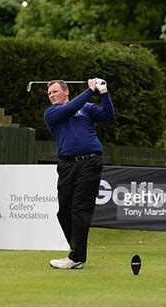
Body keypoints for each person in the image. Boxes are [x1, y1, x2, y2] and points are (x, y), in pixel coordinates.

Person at [44, 78, 115, 269]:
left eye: (55, 91)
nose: (52, 96)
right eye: (49, 93)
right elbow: (70, 109)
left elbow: (108, 116)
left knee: (79, 210)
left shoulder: (87, 108)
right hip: (67, 165)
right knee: (64, 211)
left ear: (66, 92)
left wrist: (104, 92)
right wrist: (90, 90)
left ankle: (76, 257)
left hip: (90, 162)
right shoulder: (51, 113)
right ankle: (76, 252)